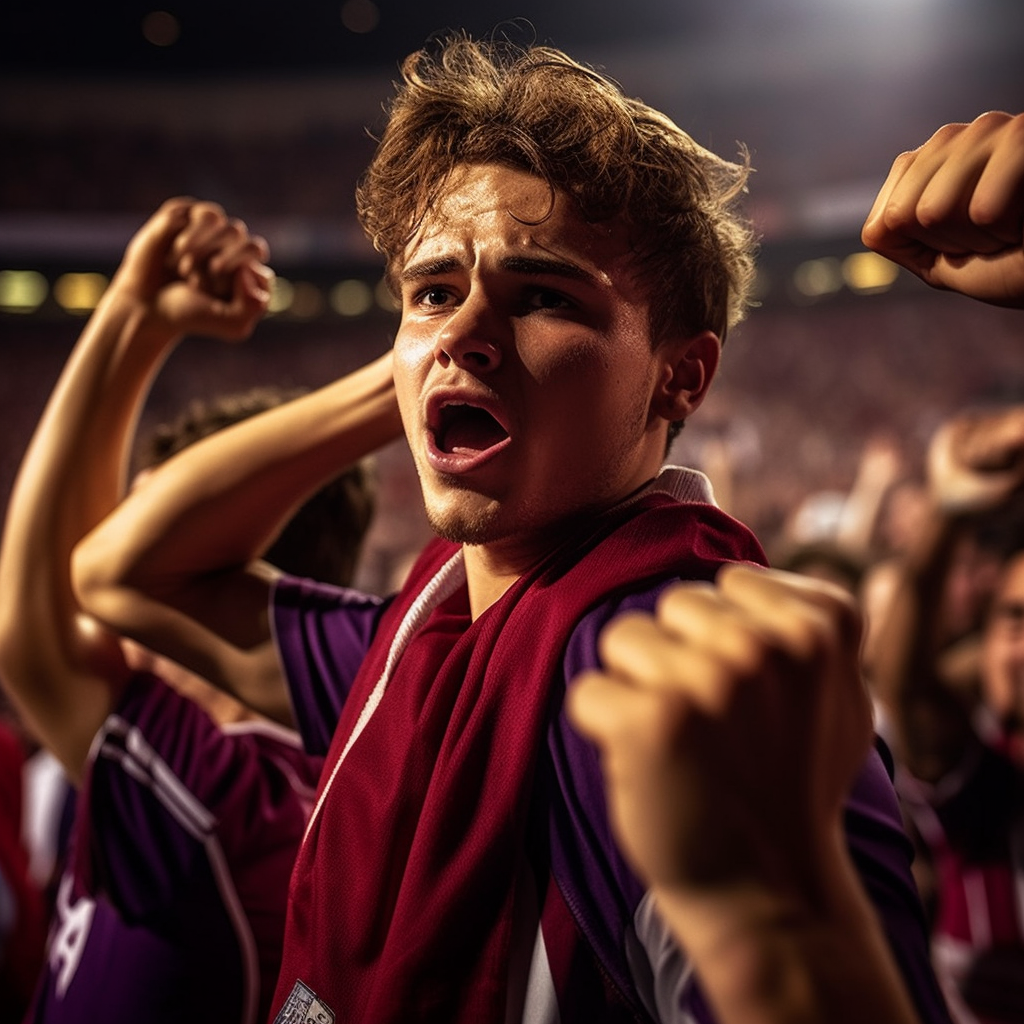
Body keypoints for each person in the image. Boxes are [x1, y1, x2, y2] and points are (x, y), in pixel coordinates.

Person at [63, 34, 1012, 1024]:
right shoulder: (418, 641)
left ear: (680, 374)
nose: (463, 327)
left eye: (545, 296)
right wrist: (430, 356)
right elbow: (127, 571)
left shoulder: (671, 667)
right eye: (429, 289)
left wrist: (778, 933)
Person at [0, 211, 375, 1023]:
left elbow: (37, 625)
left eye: (146, 527)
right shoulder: (328, 784)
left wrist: (131, 314)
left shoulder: (218, 793)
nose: (108, 562)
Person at [869, 403, 1024, 1024]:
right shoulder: (978, 773)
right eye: (1016, 621)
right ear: (982, 646)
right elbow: (903, 680)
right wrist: (952, 500)